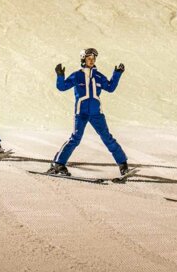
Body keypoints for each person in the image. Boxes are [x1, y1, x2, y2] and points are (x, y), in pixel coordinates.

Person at [49, 48, 128, 176]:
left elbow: (110, 88)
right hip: (81, 113)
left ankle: (123, 164)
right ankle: (58, 163)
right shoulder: (77, 75)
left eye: (93, 59)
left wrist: (117, 73)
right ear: (83, 60)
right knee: (75, 139)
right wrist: (60, 75)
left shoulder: (98, 76)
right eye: (89, 58)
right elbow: (62, 87)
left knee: (107, 138)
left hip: (97, 113)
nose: (91, 61)